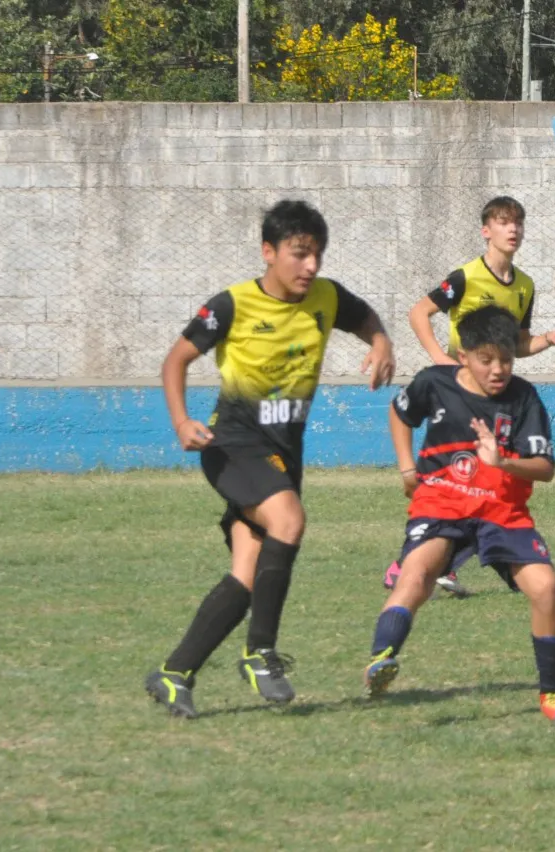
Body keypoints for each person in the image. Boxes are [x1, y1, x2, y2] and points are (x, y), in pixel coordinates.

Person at [144, 199, 395, 719]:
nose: (310, 266)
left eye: (317, 255)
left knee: (246, 575)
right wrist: (181, 420)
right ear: (268, 252)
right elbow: (176, 359)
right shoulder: (232, 305)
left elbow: (365, 316)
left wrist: (381, 341)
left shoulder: (325, 297)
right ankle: (260, 652)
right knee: (289, 519)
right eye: (299, 254)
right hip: (232, 447)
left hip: (283, 457)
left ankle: (174, 674)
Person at [364, 305, 555, 725]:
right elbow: (399, 412)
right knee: (418, 572)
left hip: (502, 509)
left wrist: (503, 463)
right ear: (463, 355)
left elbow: (545, 468)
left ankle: (551, 695)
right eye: (487, 360)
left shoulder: (523, 398)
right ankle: (382, 657)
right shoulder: (434, 383)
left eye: (506, 359)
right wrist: (408, 467)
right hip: (442, 501)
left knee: (546, 587)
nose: (498, 369)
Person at [383, 195, 555, 597]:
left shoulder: (524, 286)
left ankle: (422, 565)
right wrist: (440, 363)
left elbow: (514, 345)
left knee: (481, 482)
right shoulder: (465, 277)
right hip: (459, 390)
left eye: (518, 222)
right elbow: (419, 312)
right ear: (487, 231)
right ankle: (419, 565)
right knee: (470, 482)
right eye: (504, 223)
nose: (513, 230)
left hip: (491, 392)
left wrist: (546, 340)